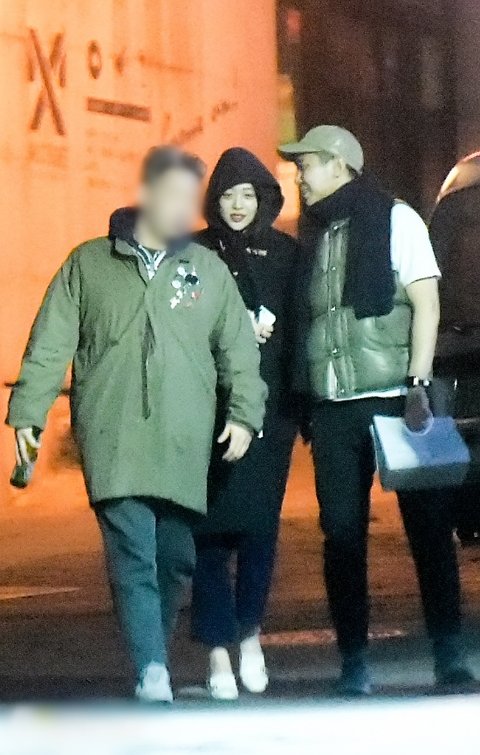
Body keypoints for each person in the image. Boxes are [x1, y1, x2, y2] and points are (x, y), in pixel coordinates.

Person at [6, 146, 267, 703]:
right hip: (113, 433)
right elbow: (50, 343)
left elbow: (238, 350)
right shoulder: (88, 264)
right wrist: (28, 413)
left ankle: (153, 652)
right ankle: (151, 666)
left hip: (184, 439)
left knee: (175, 558)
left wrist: (246, 413)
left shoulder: (206, 270)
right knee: (132, 554)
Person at [279, 126, 474, 695]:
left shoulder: (396, 218)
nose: (299, 176)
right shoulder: (314, 233)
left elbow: (426, 302)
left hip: (396, 397)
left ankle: (449, 656)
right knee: (341, 536)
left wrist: (418, 382)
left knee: (428, 530)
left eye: (306, 165)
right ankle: (354, 663)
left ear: (338, 165)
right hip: (334, 408)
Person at [190, 148, 298, 700]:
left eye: (248, 195)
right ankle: (216, 650)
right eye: (228, 194)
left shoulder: (285, 253)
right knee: (207, 534)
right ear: (214, 199)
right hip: (206, 410)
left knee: (259, 530)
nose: (237, 205)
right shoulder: (194, 251)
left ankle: (251, 635)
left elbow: (301, 329)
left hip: (270, 413)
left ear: (264, 199)